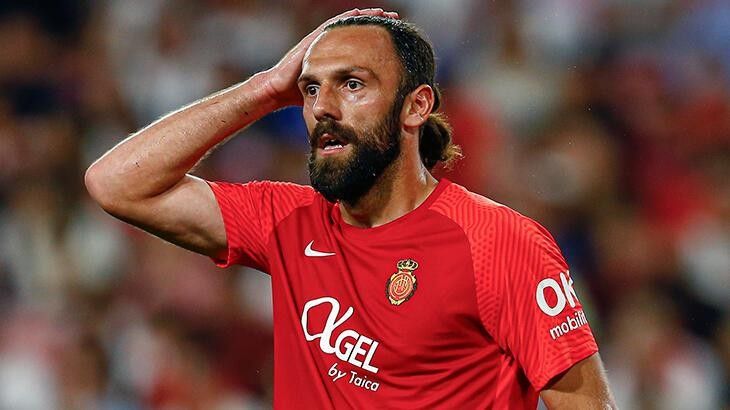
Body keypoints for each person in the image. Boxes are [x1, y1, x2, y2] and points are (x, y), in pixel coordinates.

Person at [85, 8, 616, 409]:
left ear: (416, 106)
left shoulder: (500, 243)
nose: (323, 107)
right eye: (311, 88)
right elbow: (117, 184)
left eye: (353, 84)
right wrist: (265, 89)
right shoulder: (287, 222)